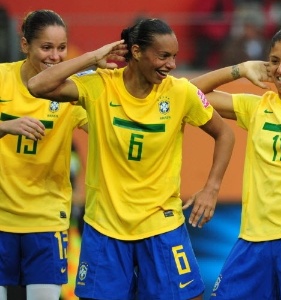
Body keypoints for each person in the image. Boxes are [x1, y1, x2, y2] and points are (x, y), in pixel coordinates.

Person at [27, 18, 235, 300]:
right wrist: (92, 57)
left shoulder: (180, 92)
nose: (171, 64)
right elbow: (38, 85)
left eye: (173, 56)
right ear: (136, 52)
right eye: (163, 56)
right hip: (105, 227)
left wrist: (211, 188)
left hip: (161, 224)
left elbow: (225, 134)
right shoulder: (100, 86)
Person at [189, 24, 281, 299]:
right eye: (274, 61)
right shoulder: (257, 106)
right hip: (254, 238)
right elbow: (187, 95)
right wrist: (240, 69)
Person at [0, 9, 88, 300]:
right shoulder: (2, 77)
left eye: (61, 48)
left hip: (47, 220)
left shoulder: (72, 92)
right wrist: (5, 125)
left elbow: (109, 128)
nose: (55, 56)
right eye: (46, 47)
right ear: (25, 45)